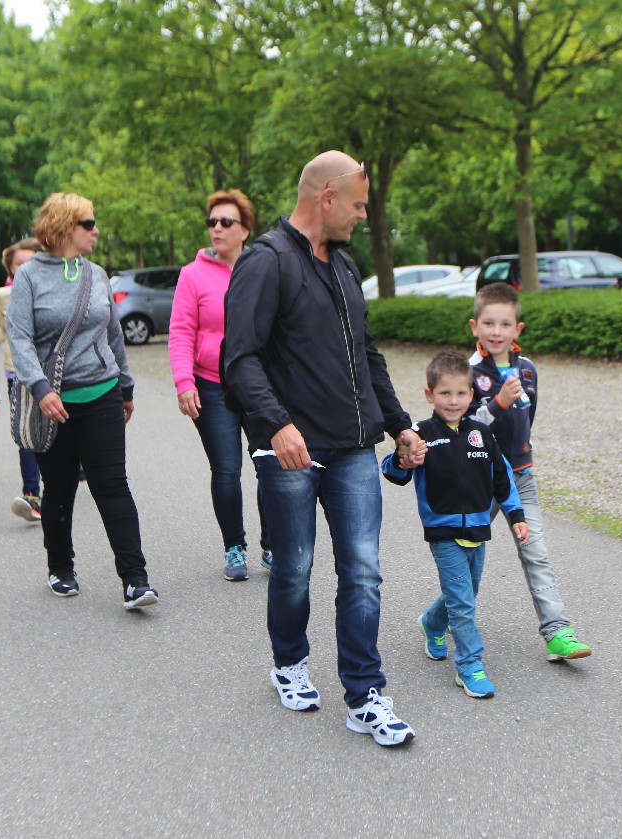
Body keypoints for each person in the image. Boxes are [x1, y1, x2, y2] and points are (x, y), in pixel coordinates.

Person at [223, 151, 423, 747]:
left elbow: (367, 353)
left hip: (354, 448)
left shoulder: (344, 266)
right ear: (327, 197)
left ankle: (365, 695)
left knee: (363, 571)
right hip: (290, 450)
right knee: (294, 567)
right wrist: (277, 425)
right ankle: (289, 662)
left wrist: (400, 424)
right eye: (358, 205)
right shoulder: (266, 261)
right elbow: (239, 359)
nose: (363, 216)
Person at [7, 192, 158, 610]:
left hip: (102, 394)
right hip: (52, 403)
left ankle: (135, 580)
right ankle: (60, 567)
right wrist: (41, 389)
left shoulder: (96, 274)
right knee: (58, 489)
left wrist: (125, 387)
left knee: (112, 485)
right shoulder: (29, 277)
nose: (96, 230)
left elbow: (113, 335)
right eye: (88, 224)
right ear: (63, 227)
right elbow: (19, 338)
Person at [381, 351, 528, 699]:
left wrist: (516, 515)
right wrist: (403, 458)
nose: (453, 400)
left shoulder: (482, 434)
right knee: (463, 604)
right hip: (443, 533)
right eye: (445, 393)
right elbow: (392, 469)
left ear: (471, 395)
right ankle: (469, 665)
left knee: (465, 594)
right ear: (430, 394)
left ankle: (432, 623)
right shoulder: (420, 434)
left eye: (461, 393)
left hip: (478, 529)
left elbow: (502, 477)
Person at [467, 282, 593, 661]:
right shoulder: (468, 372)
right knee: (467, 561)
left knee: (535, 552)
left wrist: (522, 450)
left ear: (517, 329)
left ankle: (557, 632)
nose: (496, 332)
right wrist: (497, 405)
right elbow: (463, 429)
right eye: (489, 323)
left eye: (505, 324)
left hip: (521, 477)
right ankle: (436, 620)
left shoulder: (528, 370)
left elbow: (527, 418)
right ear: (474, 326)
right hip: (481, 479)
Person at [169, 189, 272, 581]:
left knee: (270, 464)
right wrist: (184, 382)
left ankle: (273, 545)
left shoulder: (263, 268)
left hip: (259, 384)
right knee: (227, 470)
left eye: (226, 222)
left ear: (245, 230)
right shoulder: (192, 275)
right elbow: (181, 331)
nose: (216, 228)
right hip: (211, 385)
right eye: (212, 221)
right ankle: (234, 548)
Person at [0, 237, 44, 522]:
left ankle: (67, 471)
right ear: (11, 268)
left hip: (51, 369)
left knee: (56, 429)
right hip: (16, 370)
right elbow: (1, 329)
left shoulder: (53, 291)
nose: (25, 267)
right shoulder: (4, 296)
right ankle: (32, 495)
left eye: (32, 261)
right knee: (26, 432)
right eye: (19, 263)